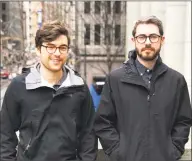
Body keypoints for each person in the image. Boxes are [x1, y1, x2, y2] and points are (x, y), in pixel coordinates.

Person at [94, 16, 192, 161]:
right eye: (141, 37)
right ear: (133, 40)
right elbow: (103, 121)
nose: (147, 42)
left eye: (153, 37)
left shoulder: (176, 81)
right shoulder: (115, 79)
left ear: (162, 40)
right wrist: (118, 152)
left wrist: (173, 150)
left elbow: (183, 121)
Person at [1, 20, 97, 161]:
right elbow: (4, 134)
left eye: (62, 47)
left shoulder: (79, 87)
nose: (57, 53)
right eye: (50, 47)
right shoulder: (19, 86)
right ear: (38, 49)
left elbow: (89, 133)